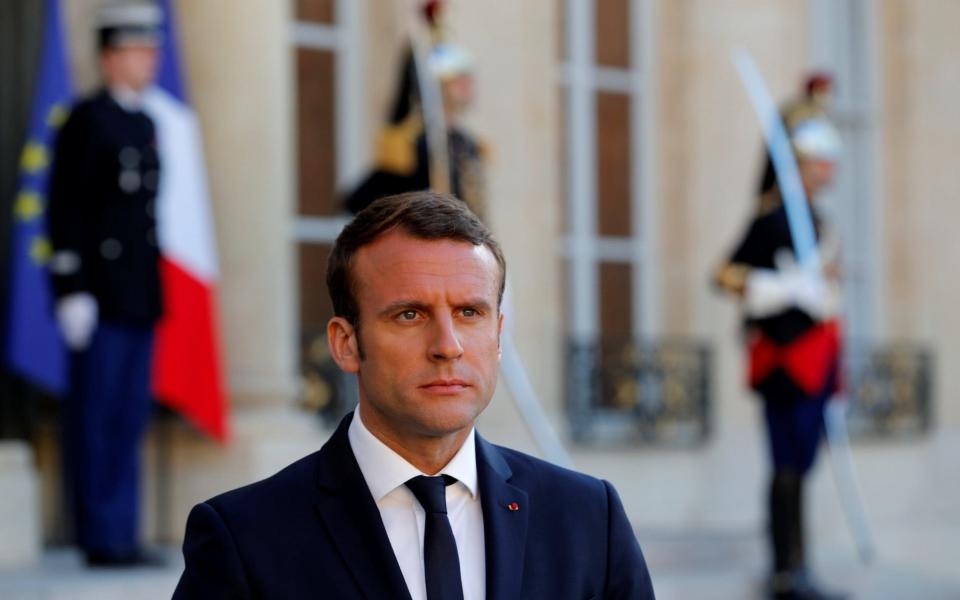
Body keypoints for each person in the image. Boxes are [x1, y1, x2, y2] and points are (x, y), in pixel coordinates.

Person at [173, 191, 654, 599]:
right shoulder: (245, 537)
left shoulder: (589, 519)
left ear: (499, 335)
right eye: (410, 315)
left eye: (469, 312)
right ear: (346, 342)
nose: (448, 345)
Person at [46, 2, 164, 566]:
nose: (150, 61)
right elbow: (65, 208)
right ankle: (97, 534)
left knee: (127, 416)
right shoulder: (85, 120)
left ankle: (122, 531)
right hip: (96, 292)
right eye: (138, 51)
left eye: (151, 50)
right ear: (110, 57)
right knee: (94, 417)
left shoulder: (145, 122)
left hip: (137, 293)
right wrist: (70, 288)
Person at [714, 119, 846, 600]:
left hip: (816, 359)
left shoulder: (818, 220)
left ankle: (798, 565)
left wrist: (822, 293)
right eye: (820, 161)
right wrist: (783, 287)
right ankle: (785, 570)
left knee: (801, 466)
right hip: (784, 362)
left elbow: (829, 287)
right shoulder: (771, 218)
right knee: (787, 465)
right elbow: (725, 274)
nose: (827, 170)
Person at [344, 1, 485, 218]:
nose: (467, 86)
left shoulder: (468, 143)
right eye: (458, 80)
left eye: (468, 79)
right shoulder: (414, 143)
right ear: (439, 86)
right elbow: (359, 200)